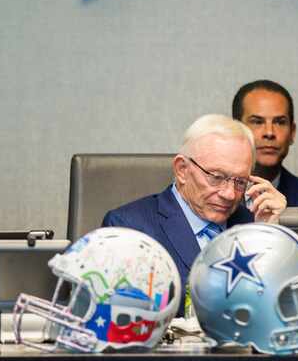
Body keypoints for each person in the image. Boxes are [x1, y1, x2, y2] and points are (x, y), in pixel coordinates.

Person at [102, 114, 287, 290]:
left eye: (240, 182)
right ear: (182, 170)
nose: (230, 194)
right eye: (216, 177)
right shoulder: (129, 229)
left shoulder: (254, 227)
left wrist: (272, 235)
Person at [232, 80, 298, 224]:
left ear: (292, 132)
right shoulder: (210, 195)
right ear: (236, 129)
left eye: (280, 122)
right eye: (257, 122)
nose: (269, 132)